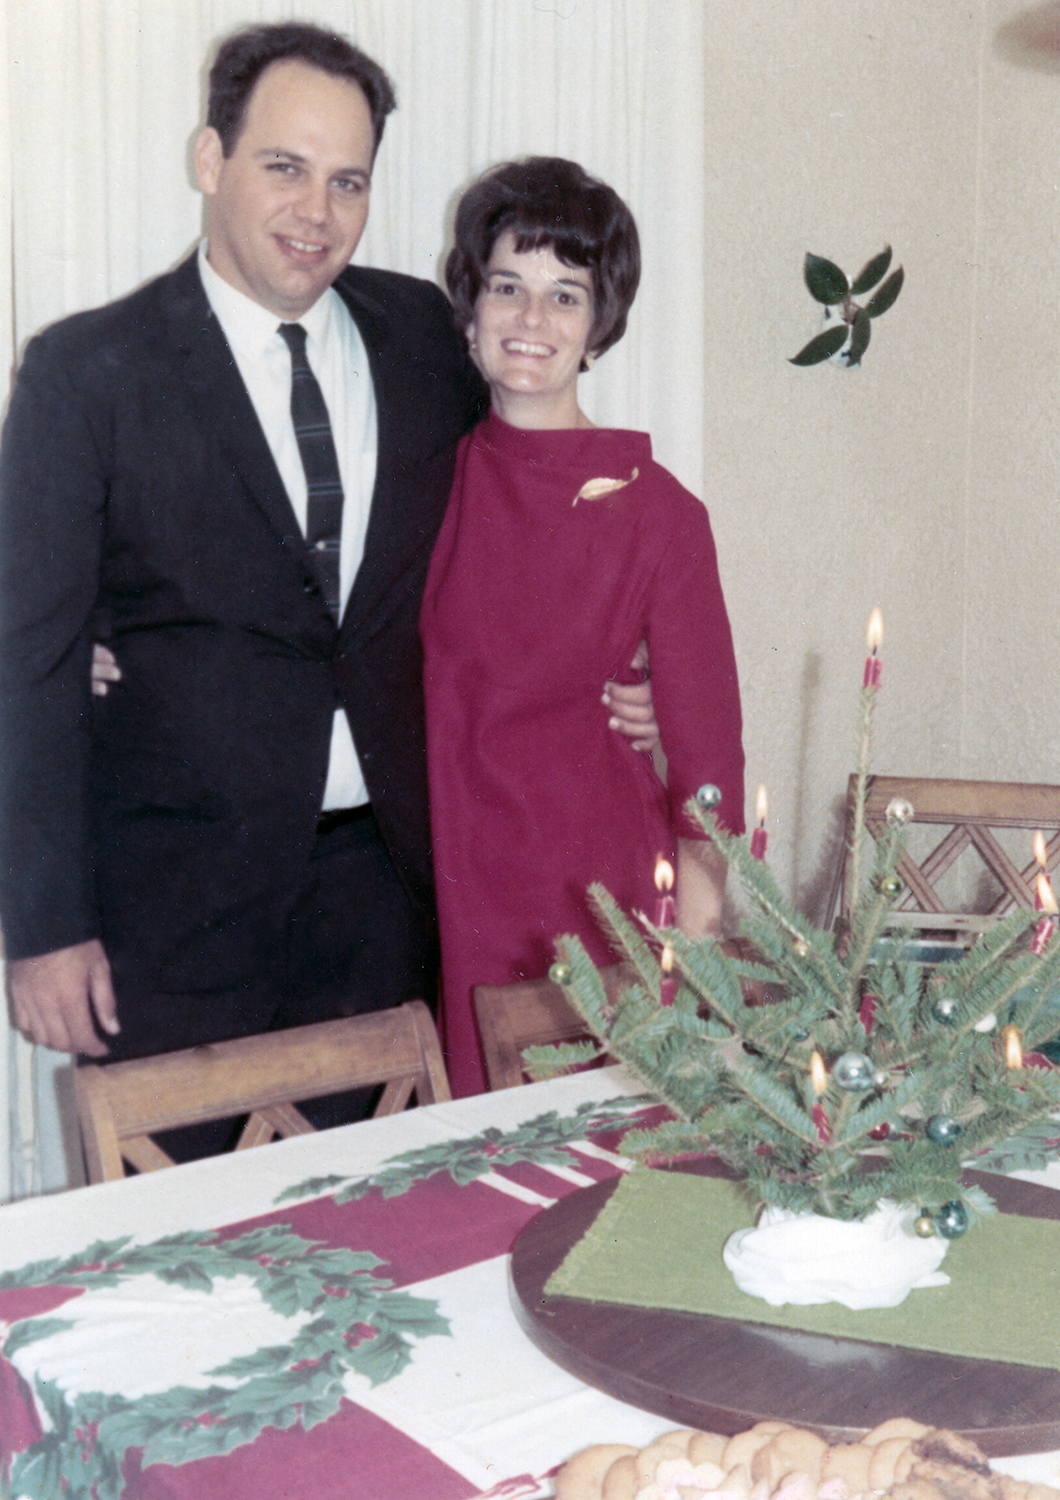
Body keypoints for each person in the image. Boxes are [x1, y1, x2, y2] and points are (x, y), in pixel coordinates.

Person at [0, 26, 654, 1134]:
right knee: (186, 1222)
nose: (317, 211)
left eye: (347, 180)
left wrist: (631, 665)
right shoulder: (89, 372)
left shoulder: (429, 339)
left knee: (397, 1210)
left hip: (385, 901)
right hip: (174, 914)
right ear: (211, 158)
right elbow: (29, 661)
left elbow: (528, 509)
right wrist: (44, 930)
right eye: (284, 167)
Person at [421, 158, 746, 1096]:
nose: (532, 319)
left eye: (566, 296)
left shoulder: (662, 518)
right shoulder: (421, 484)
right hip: (454, 895)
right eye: (507, 287)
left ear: (599, 328)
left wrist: (692, 956)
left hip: (604, 904)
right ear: (471, 308)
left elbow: (708, 772)